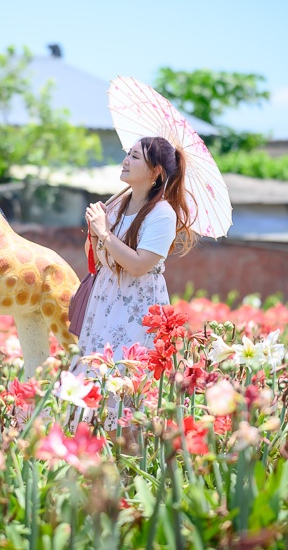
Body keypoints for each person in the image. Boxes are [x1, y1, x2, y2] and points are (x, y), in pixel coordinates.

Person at [72, 136, 197, 421]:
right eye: (128, 154)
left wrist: (105, 233)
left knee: (126, 380)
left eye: (136, 157)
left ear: (156, 172)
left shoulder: (163, 214)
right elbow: (99, 260)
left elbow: (140, 265)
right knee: (95, 372)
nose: (126, 160)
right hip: (105, 298)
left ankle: (126, 452)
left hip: (137, 306)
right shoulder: (117, 205)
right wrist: (95, 229)